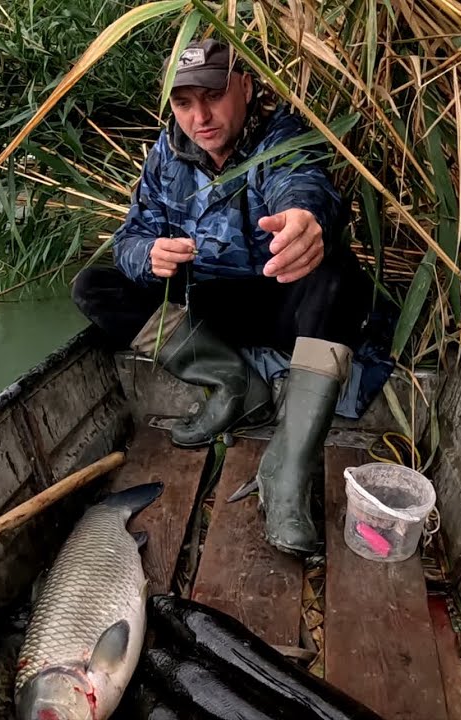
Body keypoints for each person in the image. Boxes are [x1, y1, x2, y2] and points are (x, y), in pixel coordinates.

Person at [71, 38, 373, 555]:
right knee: (93, 285)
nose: (200, 117)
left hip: (282, 305)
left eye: (212, 96)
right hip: (208, 308)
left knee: (338, 274)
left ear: (246, 87)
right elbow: (130, 235)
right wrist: (148, 255)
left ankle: (288, 469)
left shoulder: (281, 136)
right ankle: (235, 384)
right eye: (184, 103)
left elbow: (303, 184)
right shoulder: (167, 154)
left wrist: (304, 219)